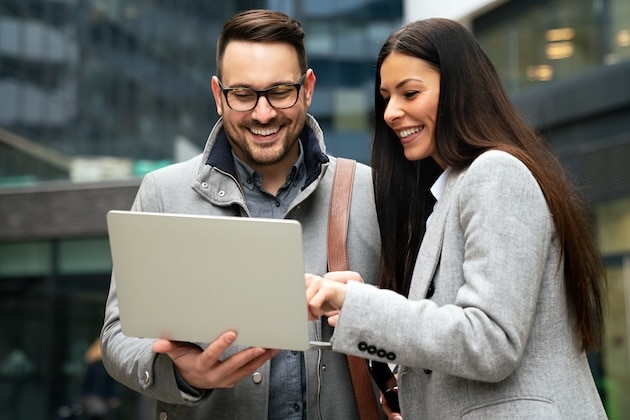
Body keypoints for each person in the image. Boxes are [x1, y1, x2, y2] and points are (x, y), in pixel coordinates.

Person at [306, 17, 607, 419]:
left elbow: (490, 342)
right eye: (386, 98)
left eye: (410, 92)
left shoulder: (496, 173)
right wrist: (365, 308)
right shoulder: (450, 191)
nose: (392, 112)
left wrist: (360, 304)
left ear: (459, 90)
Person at [100, 9, 382, 420]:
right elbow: (116, 337)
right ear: (218, 95)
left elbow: (414, 335)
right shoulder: (162, 193)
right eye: (244, 95)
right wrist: (185, 375)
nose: (263, 114)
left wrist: (367, 311)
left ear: (308, 88)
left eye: (280, 91)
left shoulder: (368, 192)